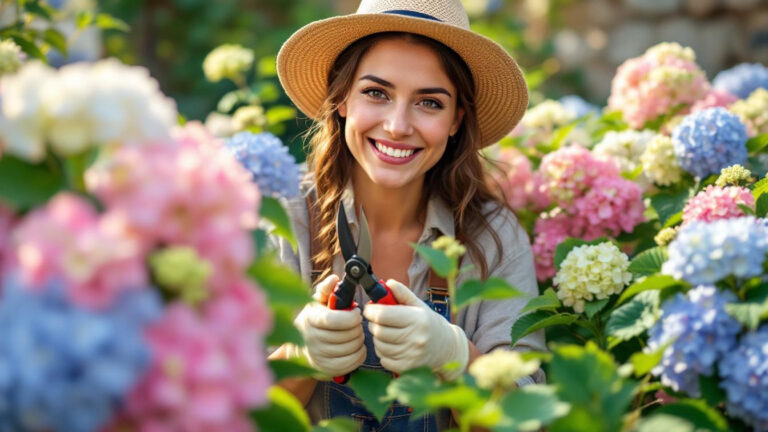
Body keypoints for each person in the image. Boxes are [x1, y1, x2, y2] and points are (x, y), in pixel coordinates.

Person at [268, 0, 545, 430]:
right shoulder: (283, 222)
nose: (397, 125)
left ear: (457, 120)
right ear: (341, 99)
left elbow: (530, 423)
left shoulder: (492, 238)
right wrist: (298, 359)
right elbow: (227, 416)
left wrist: (457, 357)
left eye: (429, 103)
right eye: (376, 93)